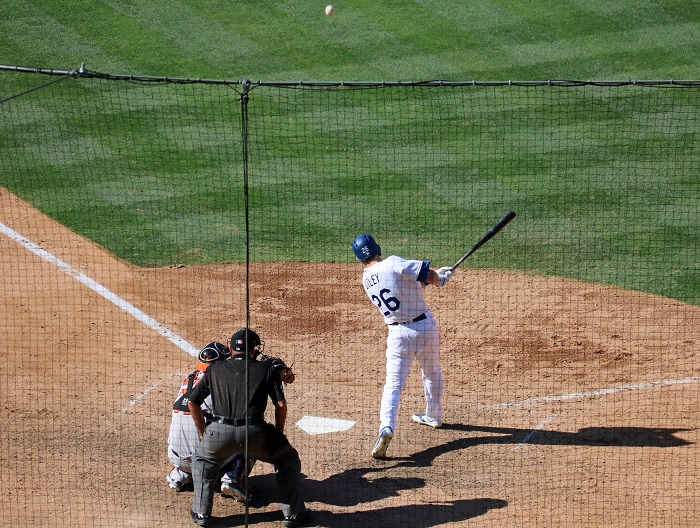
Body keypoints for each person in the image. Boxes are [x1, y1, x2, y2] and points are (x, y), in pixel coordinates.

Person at [187, 328, 313, 528]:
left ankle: (202, 513)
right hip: (256, 434)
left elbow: (192, 403)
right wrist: (278, 436)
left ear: (230, 348)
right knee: (287, 459)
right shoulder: (267, 369)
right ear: (255, 350)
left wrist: (205, 434)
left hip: (218, 435)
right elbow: (280, 405)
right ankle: (292, 515)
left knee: (203, 460)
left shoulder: (214, 368)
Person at [352, 233, 453, 459]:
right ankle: (434, 415)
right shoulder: (393, 262)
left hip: (398, 334)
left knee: (393, 385)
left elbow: (405, 287)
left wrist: (432, 278)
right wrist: (440, 278)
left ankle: (386, 427)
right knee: (431, 372)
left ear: (359, 259)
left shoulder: (366, 280)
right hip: (425, 328)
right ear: (378, 248)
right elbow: (425, 275)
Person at [166, 341, 249, 501]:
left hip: (176, 455)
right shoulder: (224, 384)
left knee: (188, 431)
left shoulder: (188, 379)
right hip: (205, 458)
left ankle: (180, 474)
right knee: (248, 433)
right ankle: (231, 479)